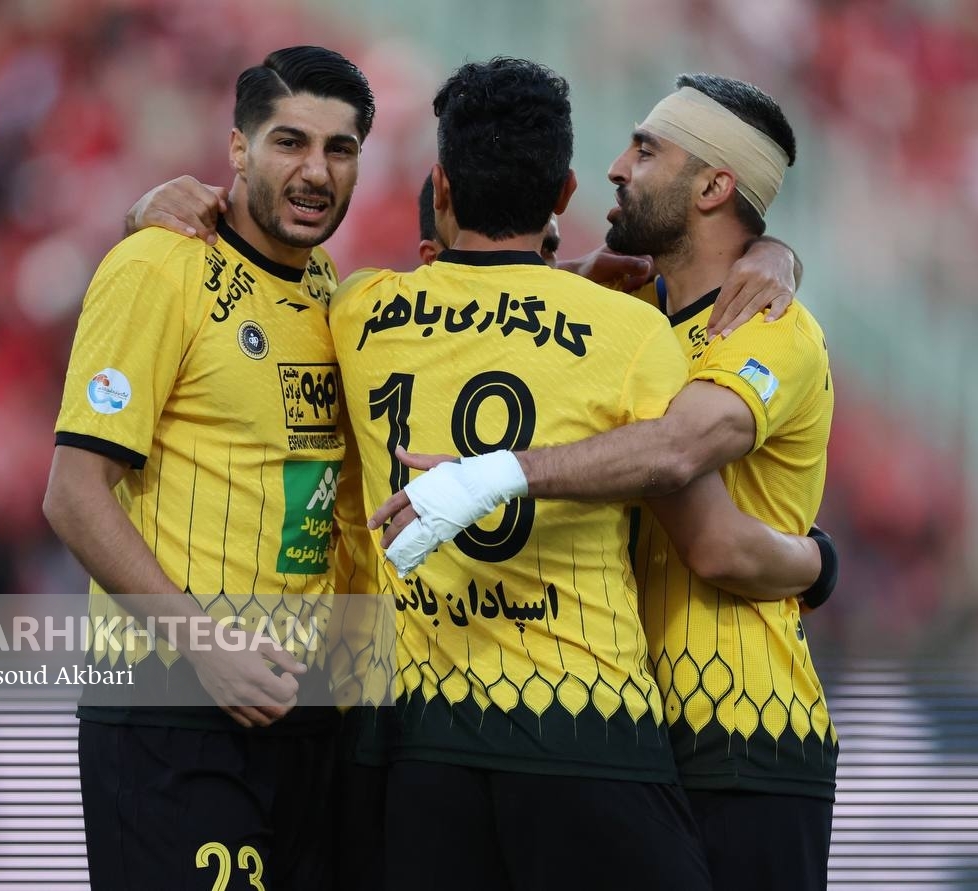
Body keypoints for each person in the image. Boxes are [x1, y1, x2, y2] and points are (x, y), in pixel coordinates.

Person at [331, 56, 833, 891]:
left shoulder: (773, 328)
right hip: (630, 725)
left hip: (743, 726)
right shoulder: (631, 318)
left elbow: (685, 475)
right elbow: (503, 293)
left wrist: (819, 562)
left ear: (714, 187)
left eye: (646, 150)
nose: (617, 166)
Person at [42, 45, 375, 890]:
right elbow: (73, 495)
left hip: (302, 712)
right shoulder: (157, 266)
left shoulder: (328, 289)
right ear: (237, 149)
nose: (316, 171)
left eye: (339, 149)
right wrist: (206, 646)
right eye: (289, 142)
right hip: (174, 705)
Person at [417, 172, 560, 266]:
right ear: (432, 259)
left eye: (546, 249)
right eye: (497, 253)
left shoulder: (567, 294)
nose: (526, 269)